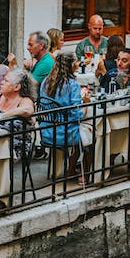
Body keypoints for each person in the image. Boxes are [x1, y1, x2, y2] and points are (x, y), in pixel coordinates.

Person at [37, 54, 90, 184]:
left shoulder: (45, 82)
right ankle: (85, 173)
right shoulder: (72, 84)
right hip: (65, 133)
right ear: (72, 65)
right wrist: (86, 104)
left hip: (47, 131)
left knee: (83, 133)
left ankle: (70, 169)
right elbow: (77, 115)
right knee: (93, 135)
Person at [0, 69, 34, 158]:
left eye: (6, 81)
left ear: (16, 87)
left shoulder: (24, 100)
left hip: (13, 148)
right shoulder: (0, 96)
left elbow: (27, 110)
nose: (1, 82)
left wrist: (0, 117)